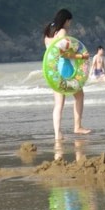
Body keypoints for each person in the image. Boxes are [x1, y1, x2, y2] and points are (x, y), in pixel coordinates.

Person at [43, 8, 91, 140]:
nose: (70, 24)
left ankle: (57, 134)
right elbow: (62, 53)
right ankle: (77, 126)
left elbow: (51, 53)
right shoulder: (62, 31)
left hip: (54, 70)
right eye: (70, 22)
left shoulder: (48, 32)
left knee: (58, 104)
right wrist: (81, 56)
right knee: (80, 95)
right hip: (65, 67)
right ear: (66, 20)